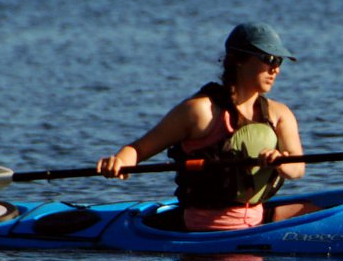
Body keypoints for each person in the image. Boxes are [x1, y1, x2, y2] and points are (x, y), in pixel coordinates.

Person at [97, 23, 309, 231]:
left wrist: (281, 162)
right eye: (268, 59)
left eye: (279, 61)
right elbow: (138, 149)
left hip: (257, 220)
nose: (276, 69)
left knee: (313, 212)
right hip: (204, 229)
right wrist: (119, 162)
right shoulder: (199, 112)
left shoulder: (280, 115)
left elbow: (298, 169)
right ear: (238, 60)